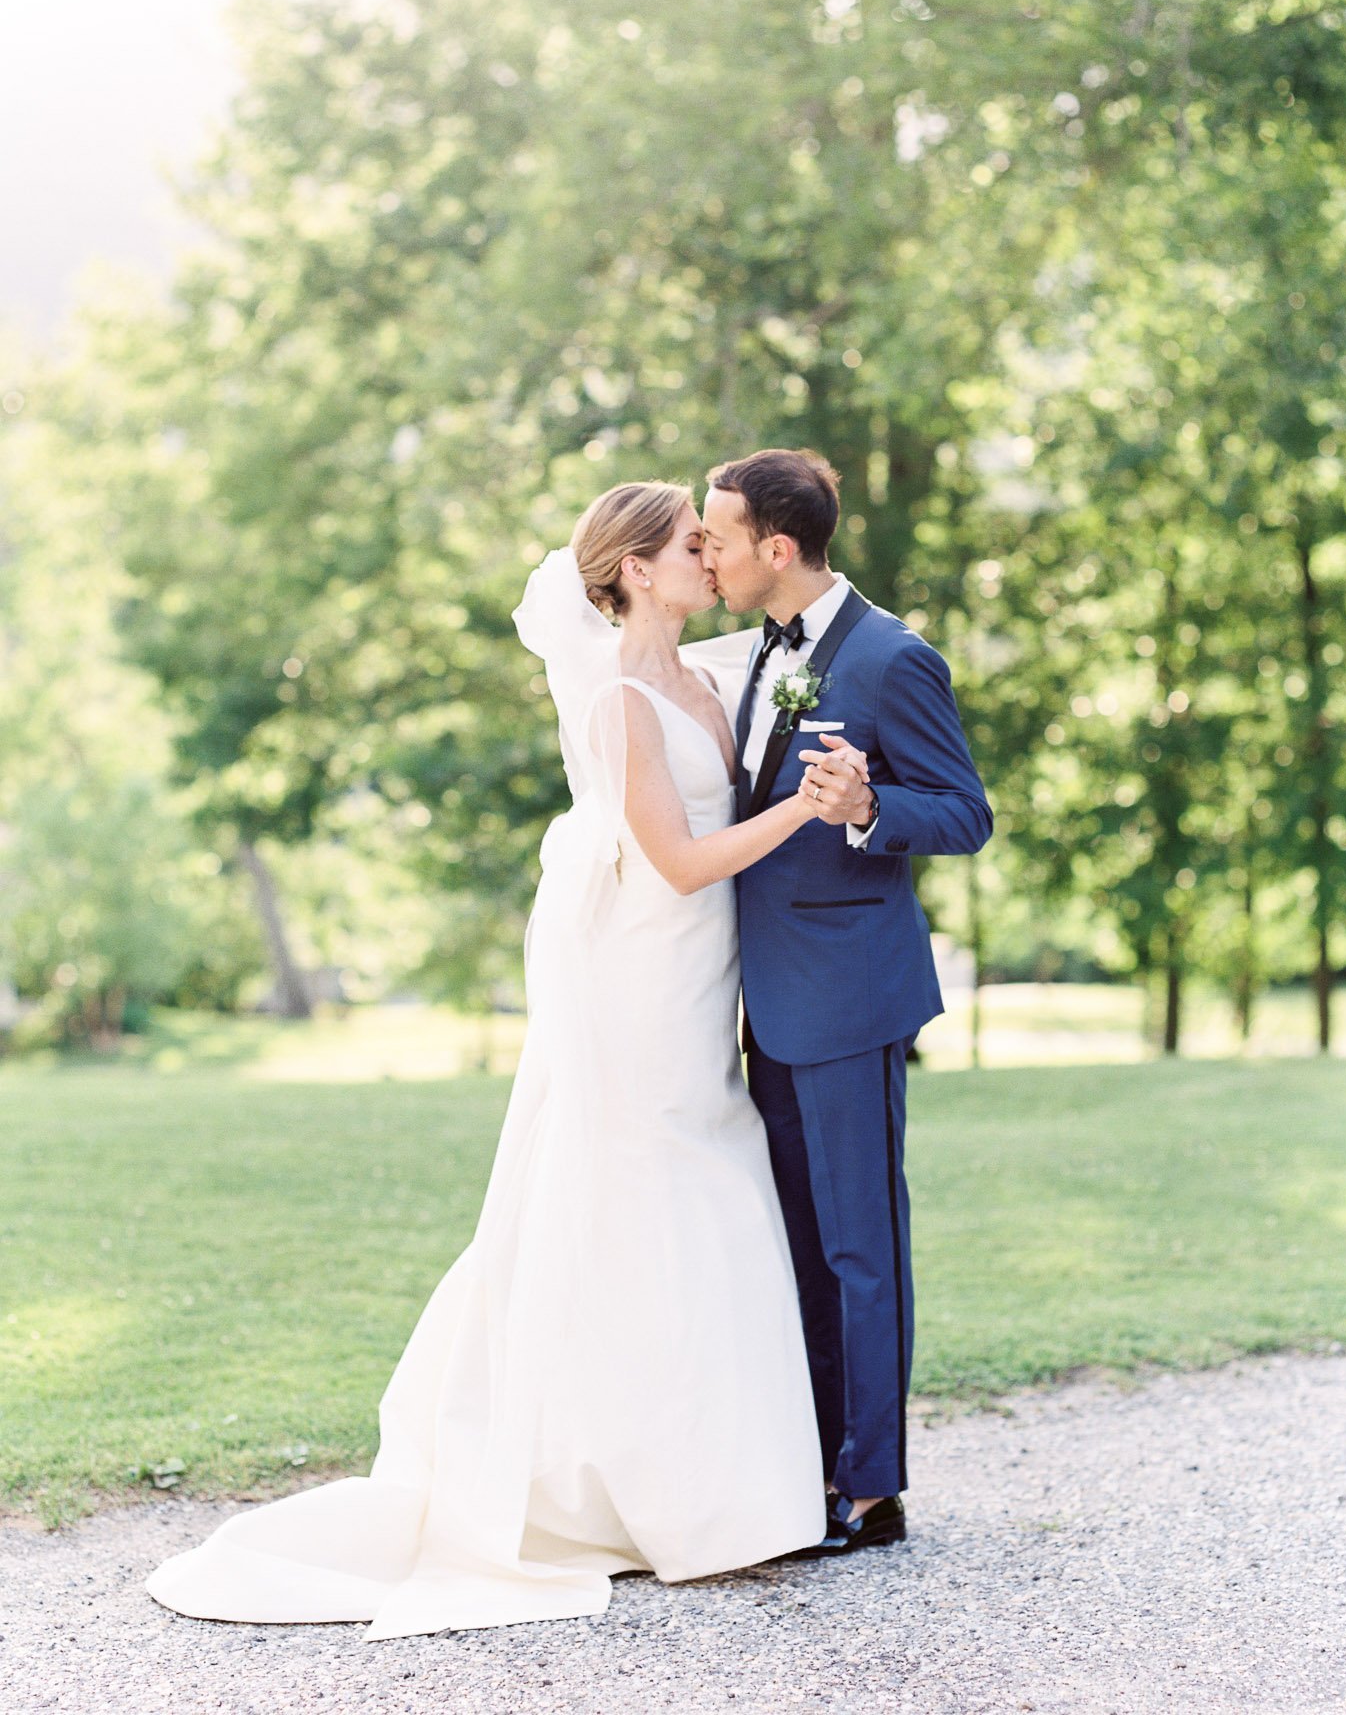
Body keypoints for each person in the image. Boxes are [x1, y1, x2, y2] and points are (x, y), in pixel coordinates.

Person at [145, 481, 858, 1641]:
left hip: (698, 977)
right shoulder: (621, 700)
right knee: (654, 1188)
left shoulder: (703, 679)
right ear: (632, 570)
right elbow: (676, 861)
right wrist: (807, 813)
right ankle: (633, 1497)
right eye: (690, 546)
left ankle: (713, 1493)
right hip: (641, 980)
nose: (709, 561)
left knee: (707, 1184)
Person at [699, 448, 993, 1556]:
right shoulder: (757, 651)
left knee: (861, 1248)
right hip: (764, 1000)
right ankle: (811, 1463)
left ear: (777, 548)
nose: (706, 554)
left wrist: (871, 803)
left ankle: (871, 1489)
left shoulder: (892, 657)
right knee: (799, 1245)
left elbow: (964, 812)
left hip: (850, 997)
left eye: (718, 538)